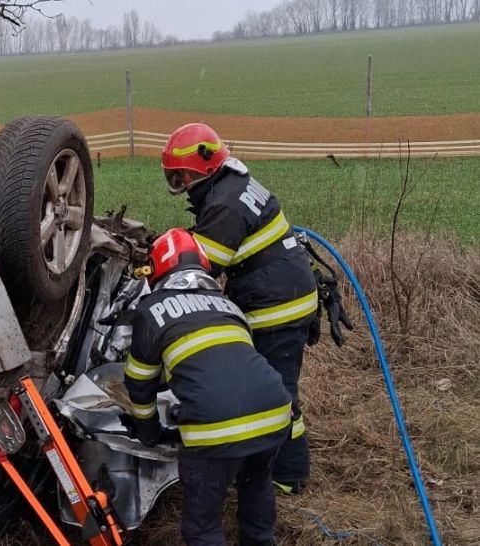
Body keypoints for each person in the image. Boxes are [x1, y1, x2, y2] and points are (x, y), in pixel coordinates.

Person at [160, 122, 336, 494]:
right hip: (283, 295)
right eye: (175, 178)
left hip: (278, 308)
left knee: (278, 394)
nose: (182, 185)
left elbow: (203, 266)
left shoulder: (224, 204)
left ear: (205, 166)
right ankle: (269, 464)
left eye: (184, 176)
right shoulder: (232, 185)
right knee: (270, 389)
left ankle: (287, 477)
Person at [124, 228, 293, 546]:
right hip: (275, 413)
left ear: (156, 269)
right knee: (256, 485)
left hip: (215, 430)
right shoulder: (230, 307)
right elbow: (228, 366)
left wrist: (148, 430)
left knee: (203, 526)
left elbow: (139, 380)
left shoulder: (151, 309)